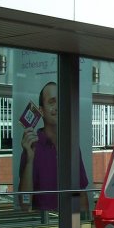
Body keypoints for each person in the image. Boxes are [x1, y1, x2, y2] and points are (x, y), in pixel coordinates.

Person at [18, 81, 89, 212]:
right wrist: (29, 160)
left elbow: (81, 193)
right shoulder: (32, 147)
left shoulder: (71, 145)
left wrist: (85, 224)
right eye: (52, 102)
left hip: (69, 226)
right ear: (41, 111)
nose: (57, 107)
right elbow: (24, 203)